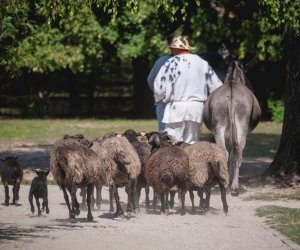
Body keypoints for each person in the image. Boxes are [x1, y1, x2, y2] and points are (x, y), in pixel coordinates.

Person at [153, 36, 222, 144]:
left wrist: (159, 100)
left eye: (172, 49)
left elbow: (158, 89)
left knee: (172, 144)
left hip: (175, 109)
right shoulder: (202, 63)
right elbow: (217, 87)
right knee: (191, 145)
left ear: (175, 49)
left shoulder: (170, 63)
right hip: (196, 109)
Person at [147, 37, 174, 131]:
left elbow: (150, 80)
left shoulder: (162, 60)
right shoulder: (190, 61)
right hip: (184, 103)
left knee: (164, 134)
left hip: (163, 101)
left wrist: (159, 93)